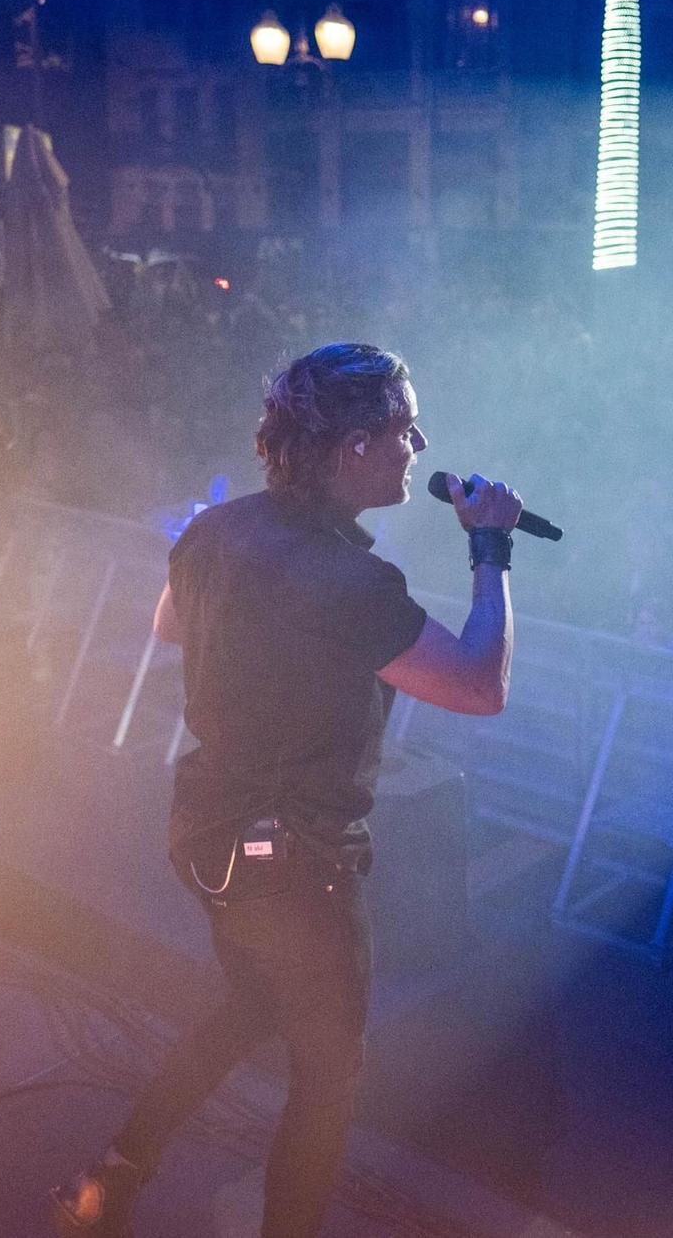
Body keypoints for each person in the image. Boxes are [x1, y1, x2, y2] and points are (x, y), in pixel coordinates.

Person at [52, 343, 524, 1238]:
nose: (419, 443)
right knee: (328, 1076)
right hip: (296, 865)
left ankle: (112, 1171)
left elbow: (167, 625)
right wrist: (491, 548)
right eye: (401, 427)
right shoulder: (350, 582)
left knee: (251, 1003)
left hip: (204, 832)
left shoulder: (215, 531)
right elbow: (478, 686)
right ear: (352, 446)